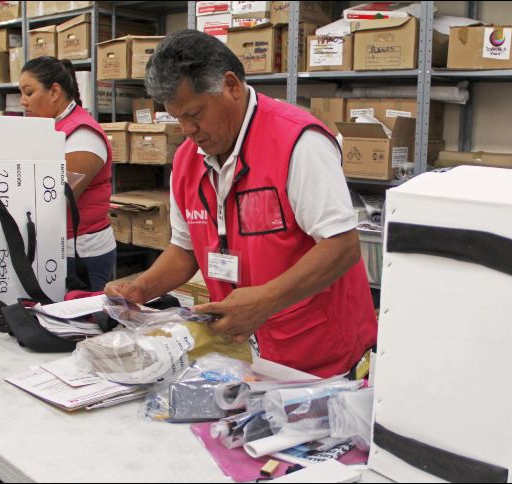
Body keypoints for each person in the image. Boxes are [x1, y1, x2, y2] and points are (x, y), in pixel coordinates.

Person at [104, 30, 377, 378]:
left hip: (321, 360)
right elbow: (186, 249)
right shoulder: (188, 159)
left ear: (231, 85)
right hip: (241, 353)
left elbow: (342, 247)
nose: (188, 130)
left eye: (196, 113)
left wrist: (264, 302)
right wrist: (143, 287)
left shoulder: (298, 142)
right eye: (178, 118)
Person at [19, 56, 116, 291]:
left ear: (54, 91)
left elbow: (55, 201)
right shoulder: (53, 128)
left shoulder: (83, 136)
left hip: (82, 253)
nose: (23, 102)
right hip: (57, 247)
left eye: (29, 93)